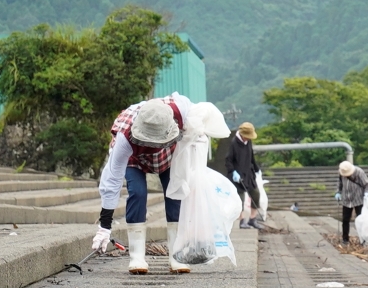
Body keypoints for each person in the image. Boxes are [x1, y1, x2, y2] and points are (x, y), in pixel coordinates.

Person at [93, 93, 218, 274]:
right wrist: (104, 226)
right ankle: (137, 257)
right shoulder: (125, 136)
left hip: (169, 155)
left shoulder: (182, 111)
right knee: (137, 192)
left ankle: (177, 255)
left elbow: (204, 122)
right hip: (135, 158)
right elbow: (111, 180)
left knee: (175, 194)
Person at [222, 121, 260, 228]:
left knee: (256, 194)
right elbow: (228, 160)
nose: (248, 138)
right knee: (240, 198)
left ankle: (253, 219)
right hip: (237, 175)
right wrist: (233, 171)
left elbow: (251, 156)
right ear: (243, 134)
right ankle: (242, 220)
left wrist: (257, 169)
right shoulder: (234, 143)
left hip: (249, 172)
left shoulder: (248, 142)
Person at [337, 161, 368, 244]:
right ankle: (345, 239)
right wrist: (338, 192)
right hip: (346, 199)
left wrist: (367, 193)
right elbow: (339, 183)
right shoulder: (341, 172)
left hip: (358, 199)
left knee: (361, 220)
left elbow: (367, 184)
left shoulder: (359, 172)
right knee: (345, 219)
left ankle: (363, 239)